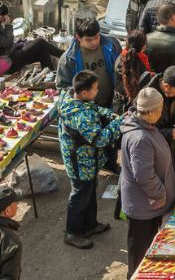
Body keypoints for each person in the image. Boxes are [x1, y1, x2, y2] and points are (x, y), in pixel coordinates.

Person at [57, 71, 123, 249]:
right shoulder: (81, 117)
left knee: (89, 190)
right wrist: (119, 122)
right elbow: (100, 138)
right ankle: (72, 233)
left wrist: (110, 115)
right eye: (95, 89)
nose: (98, 91)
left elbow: (94, 108)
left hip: (87, 161)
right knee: (80, 194)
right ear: (84, 92)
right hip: (81, 162)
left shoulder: (73, 98)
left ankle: (90, 225)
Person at [119, 88, 175, 277]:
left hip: (148, 204)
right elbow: (144, 175)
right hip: (143, 206)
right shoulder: (140, 139)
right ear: (151, 112)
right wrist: (161, 193)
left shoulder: (145, 128)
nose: (162, 112)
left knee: (149, 251)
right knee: (139, 257)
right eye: (160, 109)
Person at [0, 1, 63, 75]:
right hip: (4, 64)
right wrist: (8, 25)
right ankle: (66, 55)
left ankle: (49, 77)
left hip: (9, 56)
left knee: (42, 50)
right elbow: (7, 43)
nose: (3, 19)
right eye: (2, 16)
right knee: (39, 42)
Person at [56, 17, 122, 106]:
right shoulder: (68, 59)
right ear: (78, 37)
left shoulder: (112, 45)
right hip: (86, 111)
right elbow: (63, 89)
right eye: (89, 40)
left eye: (96, 37)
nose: (94, 42)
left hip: (113, 104)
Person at [143, 66, 175, 174]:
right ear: (166, 86)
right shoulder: (148, 98)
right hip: (158, 149)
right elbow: (144, 128)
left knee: (173, 171)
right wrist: (168, 133)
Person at [114, 30, 151, 111]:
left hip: (118, 106)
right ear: (144, 46)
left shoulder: (119, 59)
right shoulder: (143, 68)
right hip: (136, 109)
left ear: (127, 43)